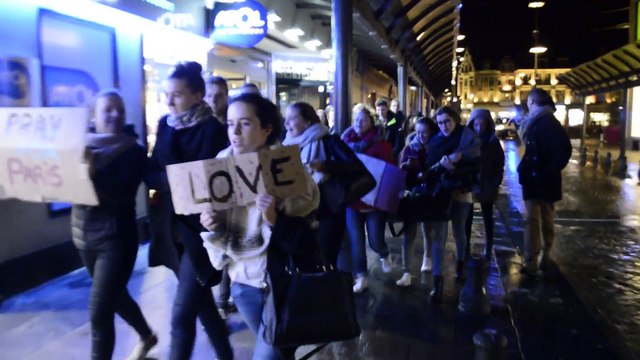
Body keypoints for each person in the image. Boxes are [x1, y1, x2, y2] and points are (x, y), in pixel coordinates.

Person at [200, 93, 319, 360]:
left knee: (269, 354)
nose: (235, 132)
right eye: (231, 124)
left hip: (282, 278)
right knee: (280, 352)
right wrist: (212, 223)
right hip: (242, 282)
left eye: (245, 123)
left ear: (266, 129)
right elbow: (218, 222)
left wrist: (274, 213)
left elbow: (308, 207)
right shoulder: (221, 162)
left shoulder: (283, 163)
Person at [145, 62, 233, 360]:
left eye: (177, 95)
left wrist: (173, 180)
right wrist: (178, 180)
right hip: (172, 230)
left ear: (198, 96)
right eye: (167, 94)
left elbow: (217, 183)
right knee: (204, 306)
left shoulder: (214, 131)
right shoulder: (164, 126)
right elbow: (152, 169)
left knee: (182, 315)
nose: (169, 101)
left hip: (202, 233)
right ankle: (226, 355)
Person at [72, 89, 157, 360]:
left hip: (116, 239)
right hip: (83, 236)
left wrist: (91, 174)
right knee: (116, 296)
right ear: (93, 117)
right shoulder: (77, 146)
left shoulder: (133, 151)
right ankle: (147, 335)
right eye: (108, 110)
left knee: (99, 312)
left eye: (119, 110)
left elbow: (120, 193)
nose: (115, 114)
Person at [283, 102, 369, 266]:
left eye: (292, 119)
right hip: (297, 214)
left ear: (308, 121)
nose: (286, 123)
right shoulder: (286, 145)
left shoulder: (329, 142)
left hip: (326, 213)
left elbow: (355, 168)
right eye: (286, 119)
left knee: (324, 261)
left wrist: (325, 166)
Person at [424, 106, 480, 302]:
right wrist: (442, 166)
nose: (444, 126)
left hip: (461, 191)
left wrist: (458, 163)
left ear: (455, 120)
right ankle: (437, 282)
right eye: (440, 123)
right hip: (440, 192)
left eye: (447, 121)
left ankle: (460, 266)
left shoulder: (468, 138)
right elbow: (429, 168)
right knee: (439, 236)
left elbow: (477, 165)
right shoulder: (436, 140)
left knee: (459, 231)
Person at [516, 88, 571, 277]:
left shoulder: (547, 123)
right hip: (533, 179)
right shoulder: (537, 122)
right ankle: (532, 259)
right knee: (533, 219)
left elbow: (564, 151)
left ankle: (543, 256)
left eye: (529, 103)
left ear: (532, 102)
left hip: (544, 180)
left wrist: (547, 172)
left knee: (542, 218)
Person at [342, 106, 395, 293]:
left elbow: (389, 170)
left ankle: (384, 253)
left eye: (363, 119)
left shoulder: (382, 145)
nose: (359, 123)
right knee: (357, 242)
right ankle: (361, 276)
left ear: (372, 122)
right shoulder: (344, 143)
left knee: (375, 240)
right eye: (357, 119)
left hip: (374, 203)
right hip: (352, 201)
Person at [204, 75, 236, 317]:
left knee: (230, 245)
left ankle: (222, 300)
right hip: (212, 197)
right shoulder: (202, 126)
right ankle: (221, 300)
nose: (213, 101)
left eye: (218, 96)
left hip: (236, 197)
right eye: (209, 95)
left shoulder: (233, 122)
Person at [395, 117, 440, 287]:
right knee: (409, 233)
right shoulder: (410, 147)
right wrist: (406, 166)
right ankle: (407, 271)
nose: (421, 135)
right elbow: (401, 173)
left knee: (428, 229)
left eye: (425, 132)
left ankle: (427, 257)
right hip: (412, 194)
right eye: (418, 131)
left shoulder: (437, 148)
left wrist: (427, 173)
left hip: (430, 194)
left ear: (431, 132)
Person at [465, 109, 504, 261]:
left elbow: (499, 163)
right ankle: (466, 245)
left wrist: (495, 182)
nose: (479, 127)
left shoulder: (492, 142)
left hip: (487, 182)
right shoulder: (467, 141)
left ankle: (489, 245)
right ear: (472, 124)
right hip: (470, 183)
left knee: (488, 215)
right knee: (467, 217)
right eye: (476, 124)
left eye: (482, 124)